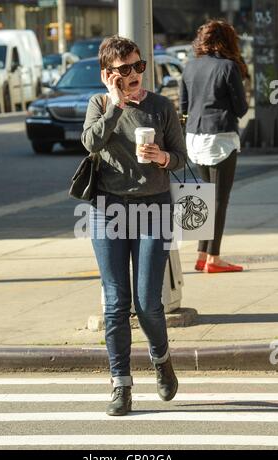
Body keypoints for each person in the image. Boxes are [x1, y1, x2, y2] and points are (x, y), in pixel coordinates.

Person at [81, 35, 187, 416]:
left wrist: (162, 157)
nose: (135, 74)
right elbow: (90, 143)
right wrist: (114, 105)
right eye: (125, 69)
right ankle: (121, 385)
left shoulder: (160, 106)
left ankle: (161, 359)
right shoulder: (98, 104)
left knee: (147, 303)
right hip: (107, 209)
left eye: (139, 66)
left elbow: (181, 156)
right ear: (109, 74)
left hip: (152, 208)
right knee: (114, 304)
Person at [180, 19, 248, 274]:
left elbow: (184, 107)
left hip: (195, 137)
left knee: (205, 197)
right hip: (220, 136)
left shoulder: (190, 67)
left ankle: (201, 253)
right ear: (227, 40)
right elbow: (241, 108)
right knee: (220, 199)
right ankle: (214, 258)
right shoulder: (228, 67)